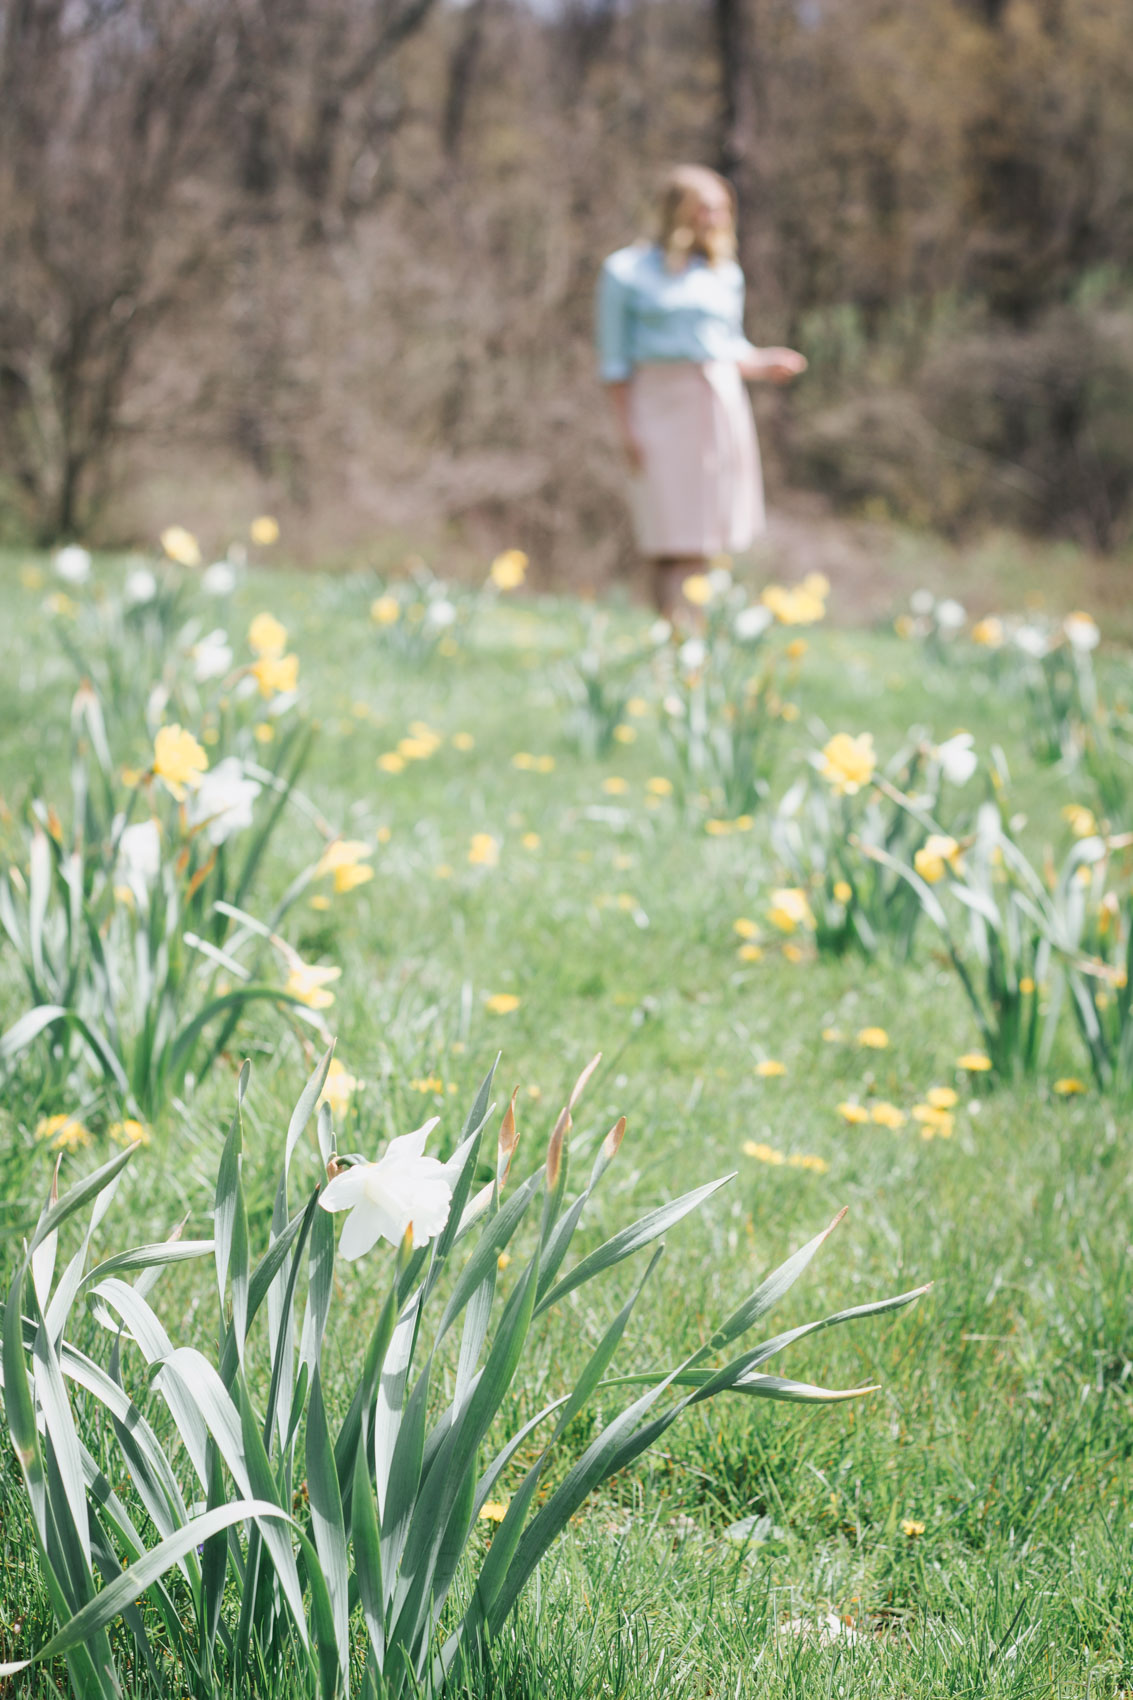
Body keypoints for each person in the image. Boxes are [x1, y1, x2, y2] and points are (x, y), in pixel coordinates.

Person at [596, 164, 807, 621]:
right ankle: (675, 634)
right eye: (705, 207)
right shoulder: (625, 271)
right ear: (678, 210)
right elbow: (614, 361)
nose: (715, 218)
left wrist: (764, 362)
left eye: (721, 209)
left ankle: (688, 642)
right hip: (659, 405)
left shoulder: (723, 273)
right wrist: (626, 426)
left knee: (704, 537)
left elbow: (730, 346)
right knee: (666, 532)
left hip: (717, 405)